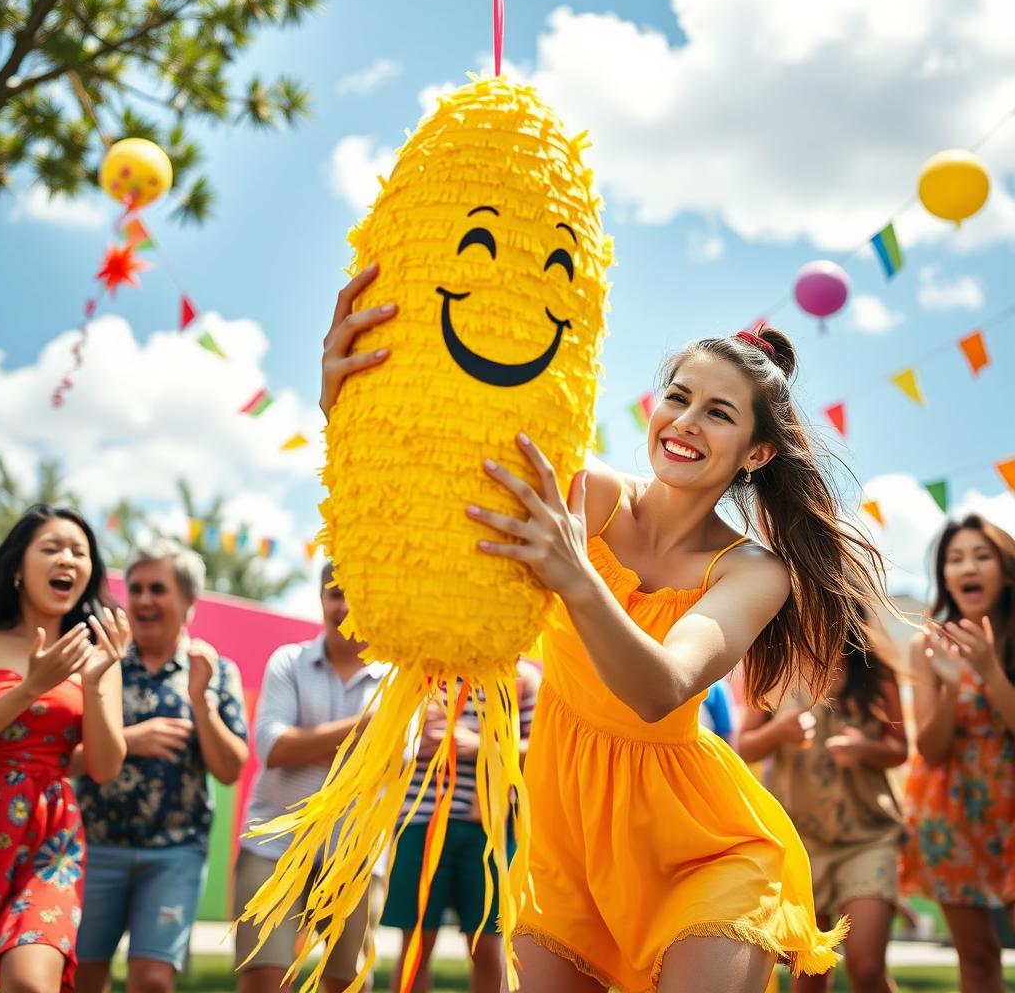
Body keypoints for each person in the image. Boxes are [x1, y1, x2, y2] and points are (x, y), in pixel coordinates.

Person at [320, 269, 889, 993]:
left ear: (756, 453)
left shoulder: (754, 572)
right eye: (678, 397)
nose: (684, 422)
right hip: (564, 842)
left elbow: (661, 688)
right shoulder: (585, 494)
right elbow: (425, 495)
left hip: (703, 849)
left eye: (719, 413)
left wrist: (573, 573)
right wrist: (344, 401)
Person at [74, 539, 249, 993]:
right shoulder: (101, 661)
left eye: (158, 588)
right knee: (79, 977)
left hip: (174, 852)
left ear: (189, 601)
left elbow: (230, 769)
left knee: (152, 980)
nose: (145, 600)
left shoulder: (217, 671)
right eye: (136, 589)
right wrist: (130, 741)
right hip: (96, 845)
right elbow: (65, 755)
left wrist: (200, 701)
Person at [739, 599, 908, 993]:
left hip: (867, 837)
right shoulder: (776, 666)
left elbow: (901, 748)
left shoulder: (875, 670)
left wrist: (866, 749)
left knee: (866, 967)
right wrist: (778, 732)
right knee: (809, 974)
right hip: (799, 843)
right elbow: (743, 746)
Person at [234, 562, 387, 993]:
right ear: (321, 600)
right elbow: (272, 748)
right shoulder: (288, 661)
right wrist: (361, 729)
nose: (345, 605)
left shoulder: (399, 676)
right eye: (336, 594)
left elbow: (393, 763)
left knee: (346, 983)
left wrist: (308, 743)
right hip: (273, 848)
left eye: (357, 592)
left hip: (355, 857)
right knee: (266, 979)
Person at [0, 505, 126, 993]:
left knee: (30, 983)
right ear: (16, 568)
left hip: (51, 836)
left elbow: (106, 768)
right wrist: (31, 686)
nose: (67, 558)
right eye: (50, 548)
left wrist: (93, 684)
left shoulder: (99, 654)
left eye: (79, 551)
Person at [900, 514, 1015, 993]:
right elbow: (929, 746)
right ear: (944, 574)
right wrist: (949, 688)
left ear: (1006, 570)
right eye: (955, 558)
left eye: (981, 556)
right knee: (978, 957)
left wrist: (988, 669)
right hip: (951, 813)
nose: (968, 566)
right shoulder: (926, 645)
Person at [382, 659, 539, 993]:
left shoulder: (522, 678)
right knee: (415, 944)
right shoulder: (422, 667)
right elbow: (385, 741)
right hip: (420, 822)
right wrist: (413, 744)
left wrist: (480, 746)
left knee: (485, 945)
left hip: (488, 829)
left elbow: (541, 747)